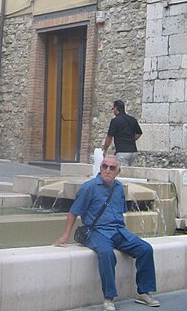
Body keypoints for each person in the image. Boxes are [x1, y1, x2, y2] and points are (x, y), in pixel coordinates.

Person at [53, 156, 159, 311]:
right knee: (106, 253)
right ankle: (109, 298)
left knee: (145, 249)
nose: (107, 170)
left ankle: (143, 292)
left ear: (118, 171)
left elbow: (119, 211)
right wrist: (65, 235)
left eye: (112, 168)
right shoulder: (89, 187)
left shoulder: (119, 188)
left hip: (117, 231)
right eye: (104, 166)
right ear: (100, 168)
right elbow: (73, 212)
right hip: (96, 232)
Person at [102, 100, 142, 166]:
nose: (113, 111)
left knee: (122, 174)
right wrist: (131, 139)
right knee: (131, 174)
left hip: (122, 151)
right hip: (133, 151)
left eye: (113, 109)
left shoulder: (115, 121)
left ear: (116, 108)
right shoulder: (132, 119)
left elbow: (109, 137)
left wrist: (104, 149)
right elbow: (139, 133)